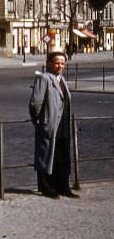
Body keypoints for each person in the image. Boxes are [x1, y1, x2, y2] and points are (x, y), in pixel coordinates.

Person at [28, 51, 77, 199]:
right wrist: (39, 121)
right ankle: (46, 187)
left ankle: (63, 187)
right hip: (50, 124)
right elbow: (35, 103)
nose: (60, 66)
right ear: (48, 63)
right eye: (57, 63)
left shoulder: (61, 79)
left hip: (63, 125)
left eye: (62, 63)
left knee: (62, 157)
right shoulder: (44, 78)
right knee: (47, 156)